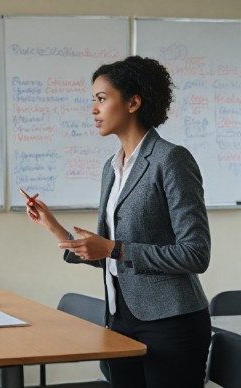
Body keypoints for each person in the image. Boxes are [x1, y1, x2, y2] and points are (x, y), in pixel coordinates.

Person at [24, 56, 211, 388]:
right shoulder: (112, 168)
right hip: (120, 319)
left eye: (101, 99)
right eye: (93, 101)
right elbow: (112, 257)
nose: (93, 110)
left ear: (133, 102)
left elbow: (196, 253)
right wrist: (54, 227)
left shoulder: (171, 160)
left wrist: (113, 248)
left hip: (171, 323)